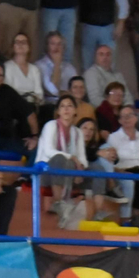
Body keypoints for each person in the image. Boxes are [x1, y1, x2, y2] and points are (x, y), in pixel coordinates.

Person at [37, 94, 87, 224]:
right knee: (60, 158)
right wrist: (73, 158)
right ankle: (59, 203)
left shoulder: (78, 132)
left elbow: (82, 158)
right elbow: (49, 152)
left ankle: (97, 210)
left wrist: (80, 168)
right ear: (58, 111)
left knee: (98, 168)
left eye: (69, 106)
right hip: (45, 171)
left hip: (70, 171)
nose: (66, 109)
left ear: (75, 110)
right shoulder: (51, 125)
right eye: (62, 106)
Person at [102, 104, 139, 222]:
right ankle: (134, 217)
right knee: (138, 176)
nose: (126, 119)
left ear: (136, 118)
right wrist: (120, 171)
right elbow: (110, 163)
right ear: (119, 120)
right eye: (123, 116)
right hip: (122, 171)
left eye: (129, 115)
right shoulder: (113, 137)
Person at [33, 31, 76, 103]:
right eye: (53, 44)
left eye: (59, 44)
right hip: (50, 104)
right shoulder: (39, 66)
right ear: (47, 47)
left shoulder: (70, 67)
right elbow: (53, 90)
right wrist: (57, 64)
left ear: (63, 48)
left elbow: (77, 90)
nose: (56, 47)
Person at [4, 32, 45, 107]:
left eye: (23, 42)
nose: (20, 45)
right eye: (17, 42)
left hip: (33, 105)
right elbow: (8, 92)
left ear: (29, 47)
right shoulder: (7, 67)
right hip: (15, 106)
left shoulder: (34, 69)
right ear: (13, 46)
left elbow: (39, 93)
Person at [82, 43, 126, 113]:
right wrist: (113, 109)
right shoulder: (91, 73)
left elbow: (126, 95)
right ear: (95, 58)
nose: (105, 57)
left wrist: (128, 108)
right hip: (101, 111)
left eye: (108, 54)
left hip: (121, 110)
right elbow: (95, 99)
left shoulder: (118, 75)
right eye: (101, 54)